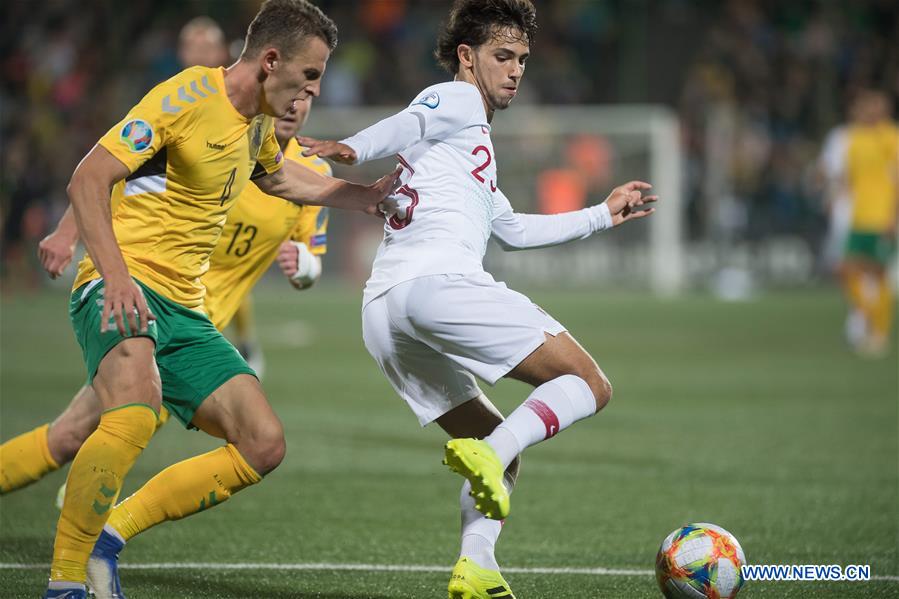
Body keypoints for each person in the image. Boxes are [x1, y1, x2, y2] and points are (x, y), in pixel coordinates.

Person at [38, 0, 398, 596]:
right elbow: (88, 178)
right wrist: (117, 276)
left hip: (183, 306)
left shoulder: (256, 121)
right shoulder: (184, 98)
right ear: (271, 60)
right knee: (133, 408)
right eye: (309, 74)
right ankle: (65, 581)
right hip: (121, 282)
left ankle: (109, 539)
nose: (313, 90)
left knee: (263, 442)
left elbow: (279, 177)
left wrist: (363, 197)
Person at [299, 1, 657, 597]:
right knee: (588, 385)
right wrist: (352, 148)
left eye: (523, 59)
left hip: (385, 311)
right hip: (438, 286)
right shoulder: (457, 99)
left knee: (501, 447)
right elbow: (409, 122)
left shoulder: (464, 148)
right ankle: (492, 454)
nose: (515, 70)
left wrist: (602, 214)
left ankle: (476, 567)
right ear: (467, 57)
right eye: (502, 56)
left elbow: (512, 231)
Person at [1, 95, 328, 500]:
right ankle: (89, 519)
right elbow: (115, 173)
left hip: (198, 336)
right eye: (292, 91)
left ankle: (88, 512)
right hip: (154, 305)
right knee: (83, 435)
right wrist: (68, 232)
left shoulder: (311, 173)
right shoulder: (220, 137)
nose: (296, 105)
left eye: (308, 93)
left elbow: (311, 261)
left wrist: (305, 266)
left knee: (79, 435)